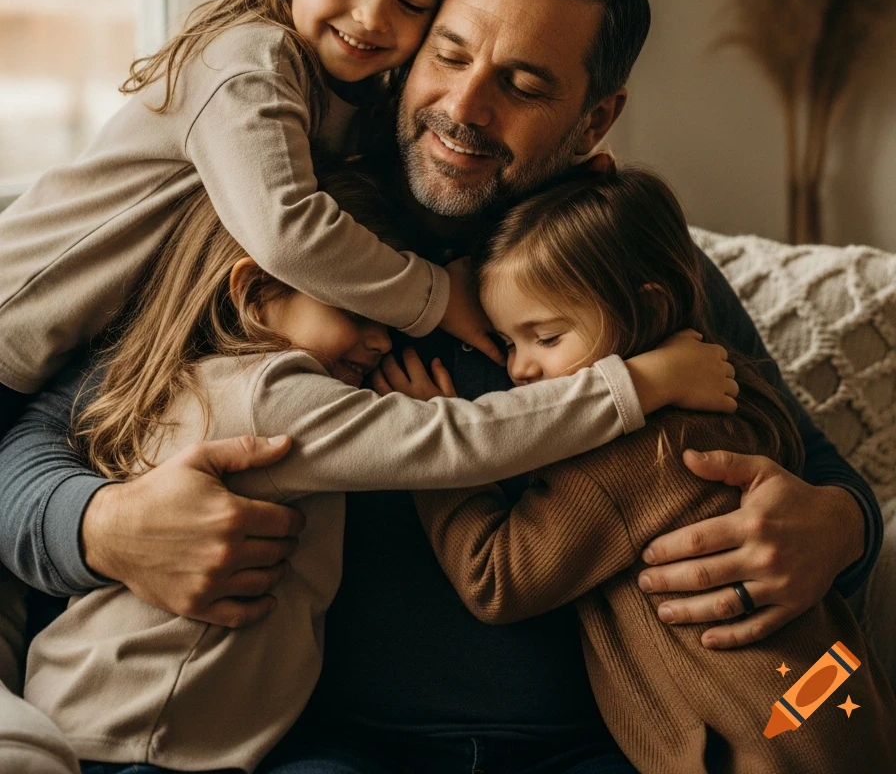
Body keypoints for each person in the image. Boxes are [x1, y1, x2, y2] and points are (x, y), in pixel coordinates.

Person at [0, 0, 883, 774]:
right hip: (322, 744)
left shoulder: (625, 261)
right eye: (450, 56)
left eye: (525, 86)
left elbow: (815, 467)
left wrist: (834, 534)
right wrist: (102, 527)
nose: (464, 107)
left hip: (603, 743)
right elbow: (33, 447)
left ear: (596, 120)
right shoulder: (298, 229)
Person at [20, 172, 732, 774]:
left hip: (131, 718)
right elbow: (458, 439)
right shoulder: (273, 393)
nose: (379, 337)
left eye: (392, 311)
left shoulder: (203, 381)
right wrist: (636, 385)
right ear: (255, 291)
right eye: (356, 306)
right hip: (142, 735)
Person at [402, 167, 896, 774]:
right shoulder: (725, 389)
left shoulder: (627, 459)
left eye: (546, 337)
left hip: (753, 745)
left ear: (647, 304)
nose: (521, 370)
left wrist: (432, 445)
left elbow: (497, 578)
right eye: (508, 344)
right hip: (833, 702)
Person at [0, 0, 501, 423]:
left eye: (413, 4)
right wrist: (439, 297)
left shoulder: (361, 104)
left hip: (81, 363)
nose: (371, 17)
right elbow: (285, 230)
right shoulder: (249, 61)